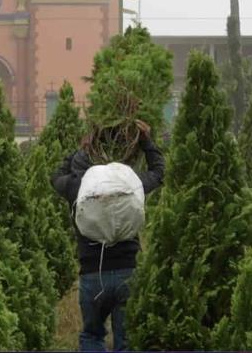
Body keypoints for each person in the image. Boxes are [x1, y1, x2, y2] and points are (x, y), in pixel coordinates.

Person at [51, 120, 165, 352]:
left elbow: (56, 176)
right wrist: (145, 141)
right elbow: (158, 172)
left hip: (93, 275)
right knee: (126, 340)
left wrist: (82, 146)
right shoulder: (130, 184)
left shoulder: (76, 186)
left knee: (92, 336)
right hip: (127, 271)